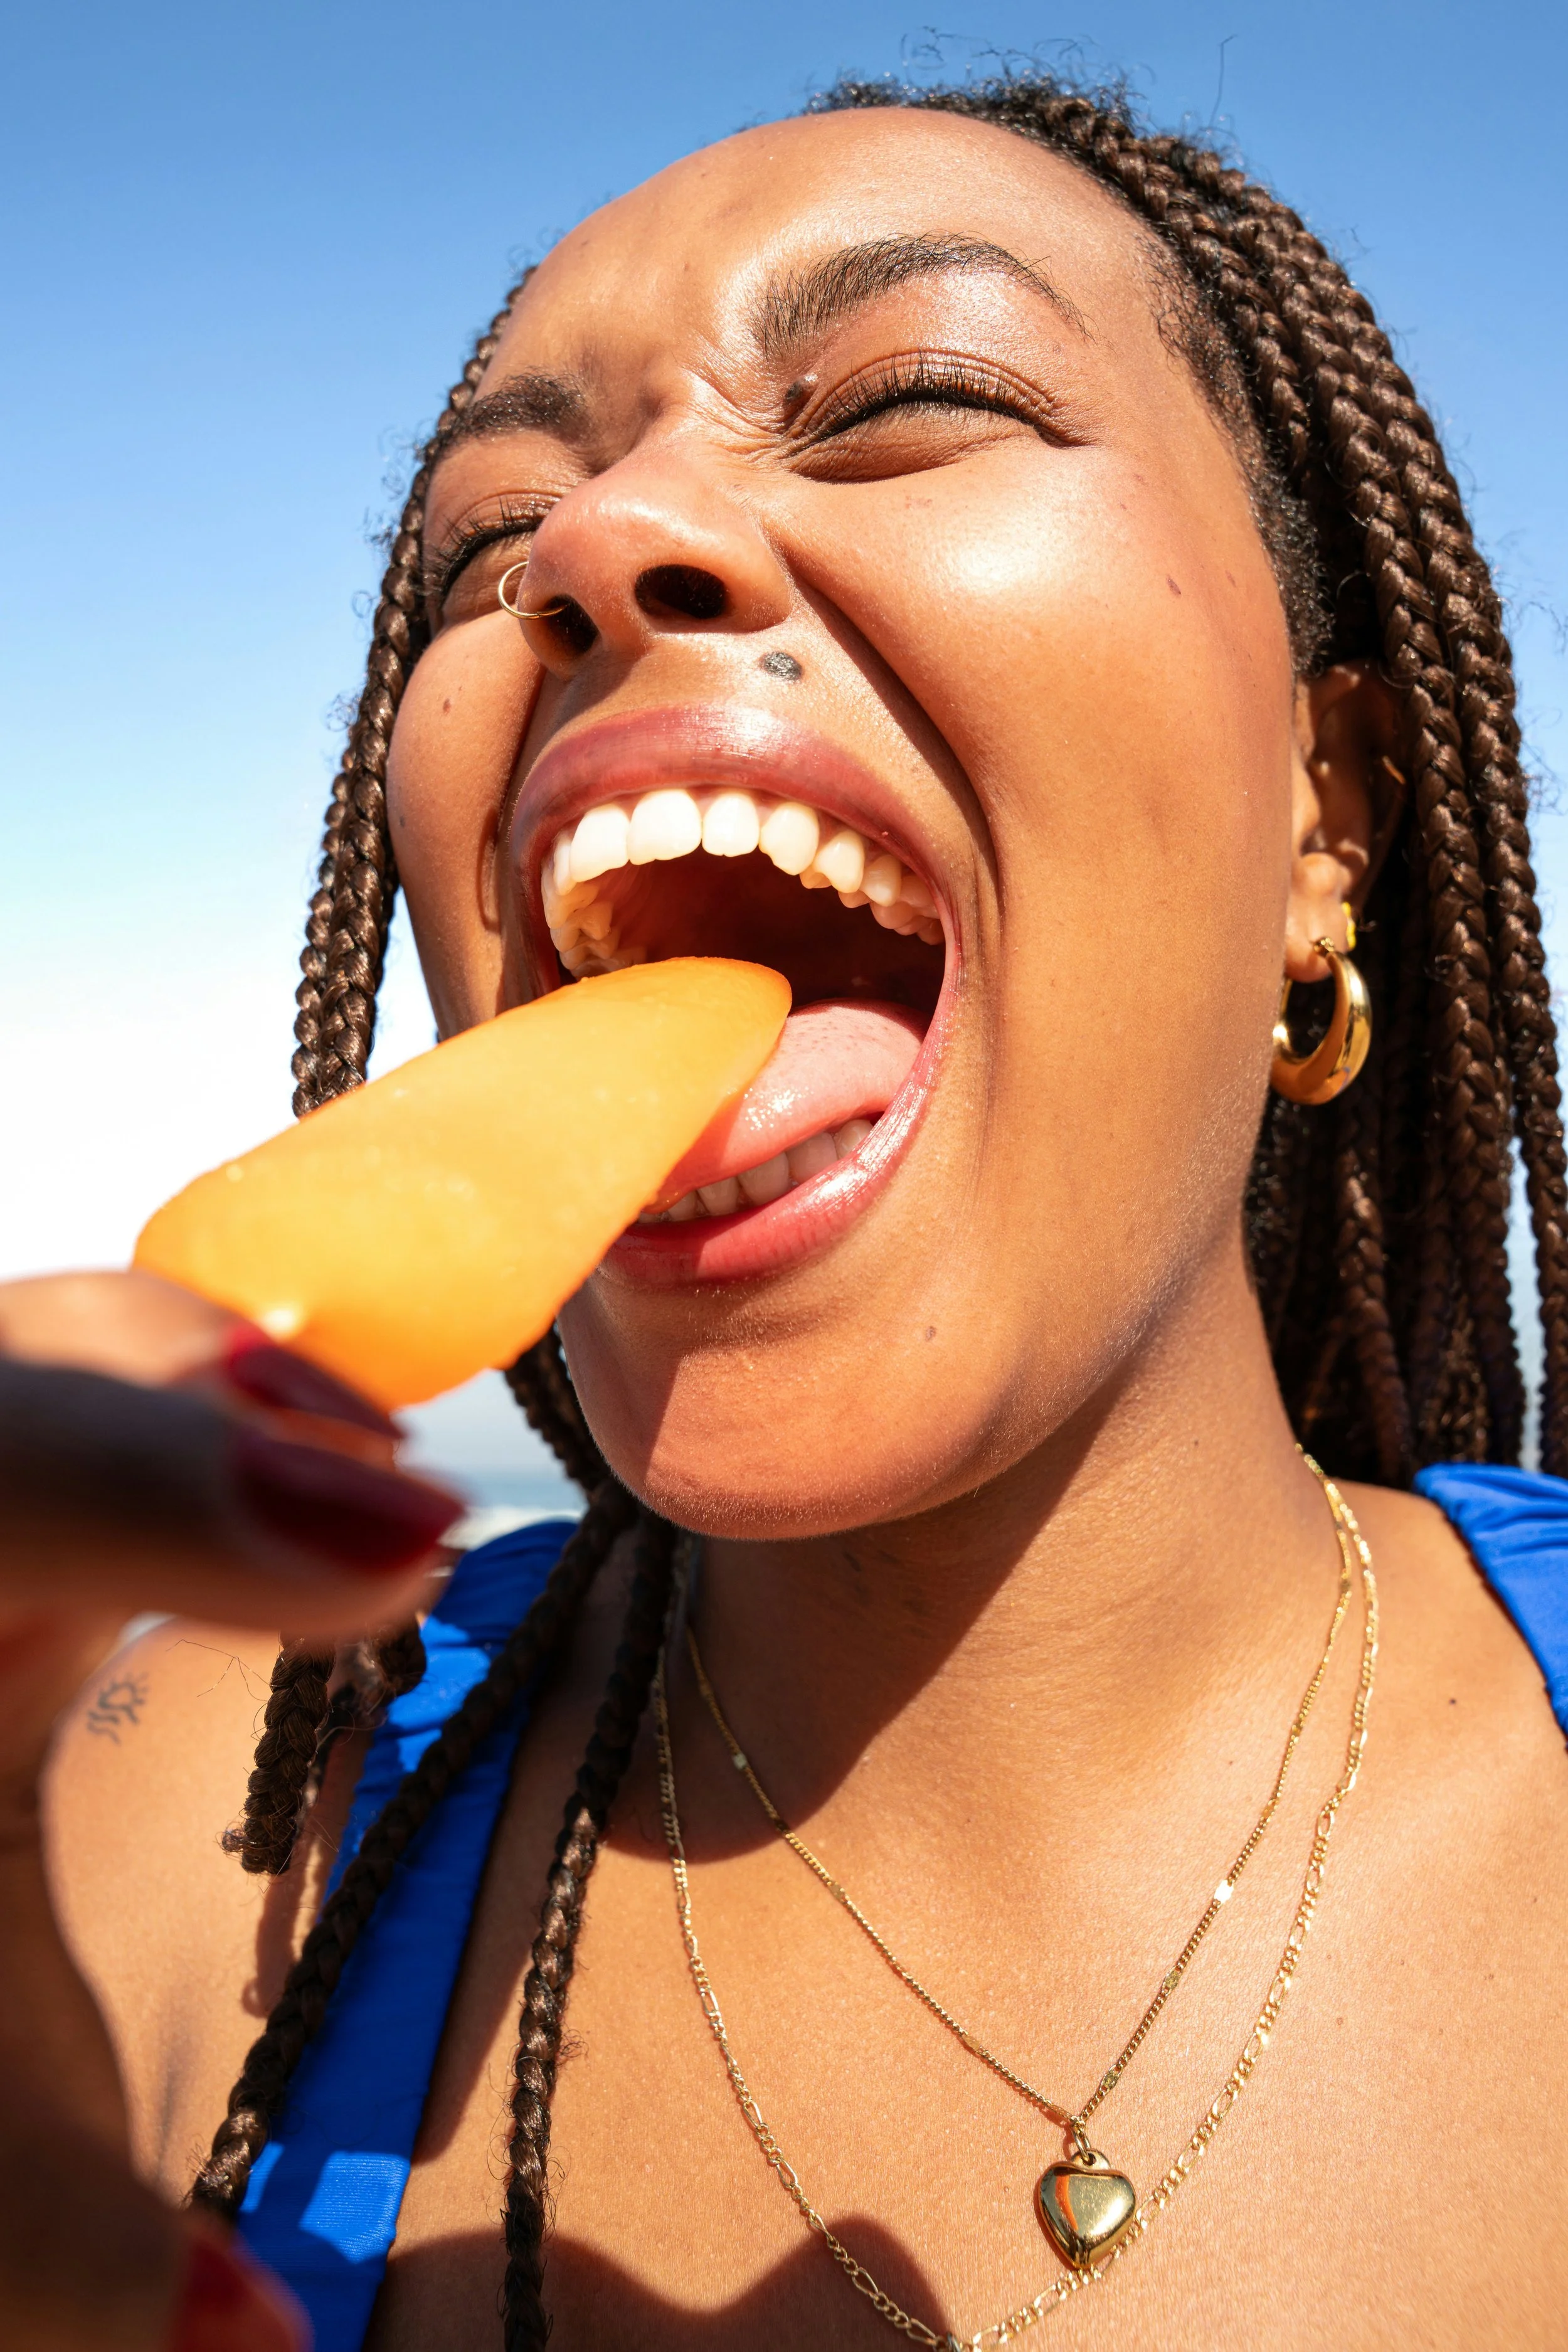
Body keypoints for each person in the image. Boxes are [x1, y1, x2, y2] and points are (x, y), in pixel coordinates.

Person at [5, 68, 1567, 2352]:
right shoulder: (189, 1850)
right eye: (477, 547)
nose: (596, 542)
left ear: (1322, 821)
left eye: (905, 400)